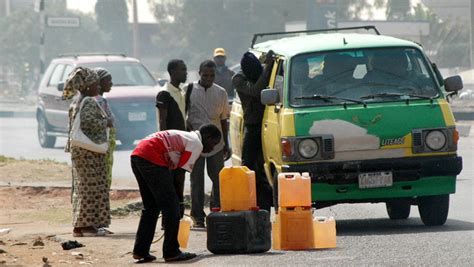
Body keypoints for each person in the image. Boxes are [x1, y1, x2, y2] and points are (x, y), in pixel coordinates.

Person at [130, 124, 222, 263]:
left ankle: (140, 250)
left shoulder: (187, 137)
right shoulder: (196, 143)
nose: (212, 148)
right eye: (213, 143)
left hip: (138, 155)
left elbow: (174, 173)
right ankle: (171, 252)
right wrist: (179, 201)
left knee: (151, 207)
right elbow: (180, 174)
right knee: (171, 208)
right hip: (151, 157)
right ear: (207, 137)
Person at [63, 67, 112, 237]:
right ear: (88, 86)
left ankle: (80, 226)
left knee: (82, 188)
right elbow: (90, 124)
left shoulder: (77, 101)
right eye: (96, 84)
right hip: (88, 153)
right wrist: (107, 122)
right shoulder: (89, 102)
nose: (98, 87)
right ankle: (87, 226)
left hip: (80, 152)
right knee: (90, 189)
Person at [186, 60, 230, 228]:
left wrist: (226, 142)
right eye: (205, 75)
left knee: (218, 178)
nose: (208, 78)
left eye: (212, 75)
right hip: (195, 142)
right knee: (196, 180)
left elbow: (224, 119)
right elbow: (185, 115)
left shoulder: (221, 93)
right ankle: (197, 215)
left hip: (215, 144)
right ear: (199, 73)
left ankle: (216, 210)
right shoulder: (189, 90)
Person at [232, 51, 275, 212]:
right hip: (253, 125)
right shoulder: (238, 79)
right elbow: (256, 91)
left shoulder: (261, 71)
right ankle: (246, 202)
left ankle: (265, 206)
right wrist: (268, 68)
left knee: (266, 167)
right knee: (248, 166)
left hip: (268, 123)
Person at [155, 59, 188, 226]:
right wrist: (166, 146)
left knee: (179, 179)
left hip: (181, 142)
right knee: (170, 182)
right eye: (182, 70)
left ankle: (178, 216)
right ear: (173, 72)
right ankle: (168, 219)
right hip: (170, 145)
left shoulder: (180, 92)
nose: (186, 73)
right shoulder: (165, 93)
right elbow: (163, 121)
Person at [94, 67, 116, 188]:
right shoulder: (97, 101)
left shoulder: (103, 100)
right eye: (108, 80)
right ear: (99, 82)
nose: (111, 83)